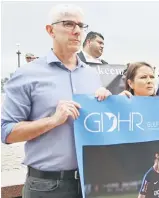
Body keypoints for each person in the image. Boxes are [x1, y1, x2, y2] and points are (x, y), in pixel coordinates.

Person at [1, 4, 111, 198]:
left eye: (81, 25)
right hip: (47, 186)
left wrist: (116, 103)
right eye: (68, 24)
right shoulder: (27, 74)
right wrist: (53, 120)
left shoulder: (92, 75)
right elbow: (7, 132)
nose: (77, 31)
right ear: (50, 30)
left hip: (93, 183)